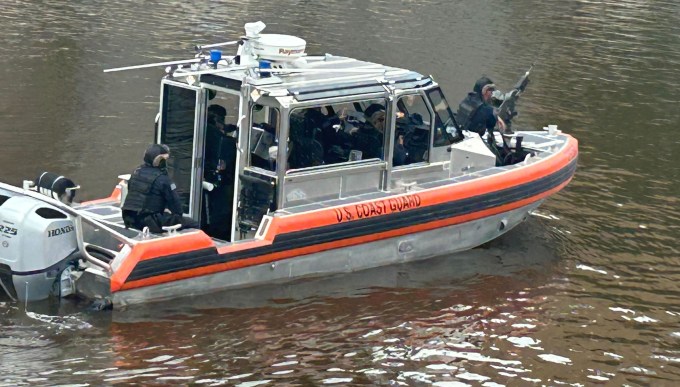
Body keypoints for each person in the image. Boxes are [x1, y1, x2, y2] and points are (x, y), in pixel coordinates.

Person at [122, 144, 198, 233]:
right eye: (165, 160)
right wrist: (177, 216)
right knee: (192, 223)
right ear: (161, 161)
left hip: (129, 218)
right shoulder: (163, 179)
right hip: (150, 222)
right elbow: (176, 206)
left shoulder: (136, 172)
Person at [202, 104, 238, 240]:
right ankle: (219, 232)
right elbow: (225, 143)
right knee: (220, 208)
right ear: (217, 119)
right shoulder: (215, 135)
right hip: (215, 176)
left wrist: (230, 128)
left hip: (206, 171)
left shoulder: (201, 127)